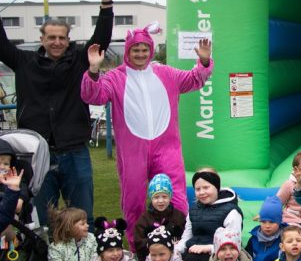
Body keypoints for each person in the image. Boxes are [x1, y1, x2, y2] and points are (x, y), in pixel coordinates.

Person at [0, 0, 114, 224]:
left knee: (83, 215)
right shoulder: (24, 62)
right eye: (51, 37)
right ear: (42, 39)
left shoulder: (78, 60)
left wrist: (106, 5)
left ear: (68, 40)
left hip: (75, 150)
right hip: (37, 153)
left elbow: (100, 41)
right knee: (44, 218)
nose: (56, 42)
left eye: (62, 38)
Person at [82, 26, 212, 233]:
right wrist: (94, 70)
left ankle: (178, 240)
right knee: (133, 198)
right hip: (133, 150)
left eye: (144, 49)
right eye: (135, 50)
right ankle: (139, 247)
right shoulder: (115, 78)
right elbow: (93, 96)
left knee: (176, 195)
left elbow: (194, 79)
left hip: (167, 147)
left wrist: (204, 62)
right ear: (128, 52)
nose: (140, 54)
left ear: (150, 50)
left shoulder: (166, 72)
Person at [177, 170, 242, 261]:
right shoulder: (194, 211)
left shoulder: (231, 211)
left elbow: (234, 243)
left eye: (206, 187)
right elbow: (186, 238)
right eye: (198, 189)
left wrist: (207, 248)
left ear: (216, 187)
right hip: (191, 256)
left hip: (218, 258)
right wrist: (174, 251)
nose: (202, 192)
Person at [132, 174, 187, 261]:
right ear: (151, 198)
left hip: (175, 260)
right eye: (156, 197)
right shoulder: (144, 219)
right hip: (152, 260)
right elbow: (139, 242)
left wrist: (179, 243)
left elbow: (186, 236)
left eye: (164, 196)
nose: (161, 201)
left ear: (170, 197)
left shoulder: (178, 216)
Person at [246, 196, 285, 261]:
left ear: (279, 221)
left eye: (271, 222)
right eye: (263, 222)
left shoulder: (284, 238)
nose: (267, 226)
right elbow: (246, 260)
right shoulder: (254, 238)